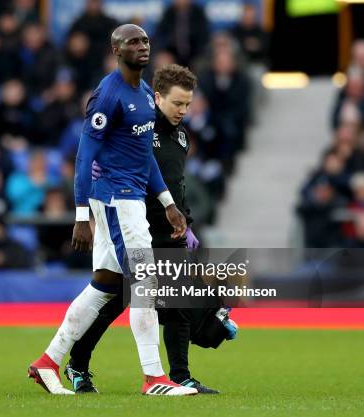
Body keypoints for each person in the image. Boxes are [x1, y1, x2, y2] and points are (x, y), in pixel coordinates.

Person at [27, 24, 197, 397]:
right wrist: (81, 215)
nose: (142, 46)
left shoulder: (145, 94)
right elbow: (84, 155)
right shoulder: (108, 95)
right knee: (145, 284)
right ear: (116, 50)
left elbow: (145, 158)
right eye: (132, 42)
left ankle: (48, 361)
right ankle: (154, 378)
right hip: (117, 199)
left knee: (105, 285)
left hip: (131, 197)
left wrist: (168, 203)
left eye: (145, 40)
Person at [65, 64, 236, 395]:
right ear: (157, 98)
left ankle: (181, 375)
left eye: (187, 104)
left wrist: (183, 220)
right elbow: (97, 160)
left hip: (168, 231)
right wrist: (88, 207)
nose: (183, 111)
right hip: (134, 227)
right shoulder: (133, 130)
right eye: (177, 104)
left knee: (176, 305)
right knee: (113, 301)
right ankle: (77, 365)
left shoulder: (182, 136)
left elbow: (175, 183)